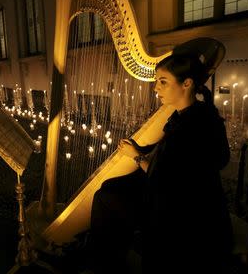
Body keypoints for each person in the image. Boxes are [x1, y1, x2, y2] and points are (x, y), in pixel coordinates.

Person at [88, 38, 232, 274]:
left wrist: (136, 156)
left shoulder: (191, 126)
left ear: (186, 83)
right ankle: (112, 253)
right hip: (186, 198)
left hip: (184, 214)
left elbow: (165, 177)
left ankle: (104, 262)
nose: (156, 88)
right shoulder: (196, 113)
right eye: (156, 81)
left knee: (106, 196)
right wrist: (142, 150)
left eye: (163, 82)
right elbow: (173, 161)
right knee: (111, 187)